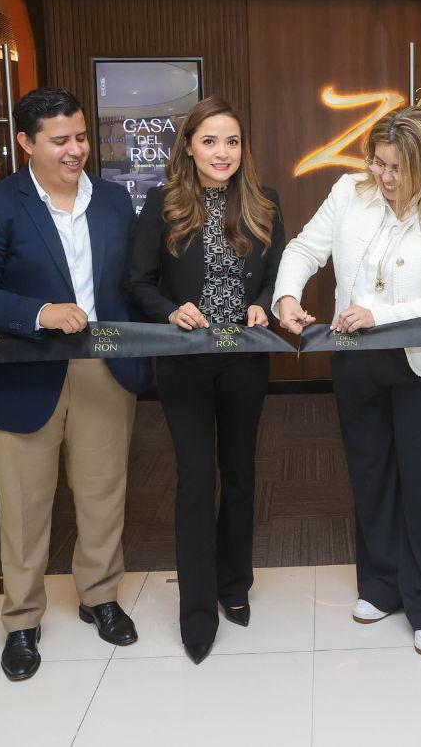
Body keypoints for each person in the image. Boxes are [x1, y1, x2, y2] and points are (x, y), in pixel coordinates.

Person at [0, 87, 150, 682]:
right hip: (20, 373)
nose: (75, 150)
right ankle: (22, 621)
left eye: (81, 137)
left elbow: (135, 282)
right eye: (60, 140)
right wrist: (41, 312)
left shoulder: (114, 201)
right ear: (25, 143)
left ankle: (100, 597)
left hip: (102, 372)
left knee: (102, 494)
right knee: (24, 507)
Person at [273, 107, 421, 657]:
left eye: (398, 168)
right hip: (357, 360)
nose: (386, 179)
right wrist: (288, 295)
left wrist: (375, 313)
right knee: (371, 474)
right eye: (379, 164)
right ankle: (381, 585)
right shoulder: (350, 192)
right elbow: (304, 248)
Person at [125, 96, 284, 665]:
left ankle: (233, 586)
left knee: (240, 474)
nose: (223, 152)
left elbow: (276, 276)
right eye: (211, 140)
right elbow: (137, 282)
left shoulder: (265, 205)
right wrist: (168, 310)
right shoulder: (162, 206)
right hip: (185, 365)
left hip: (245, 362)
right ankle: (196, 611)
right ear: (189, 146)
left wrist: (265, 305)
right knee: (196, 480)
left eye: (233, 141)